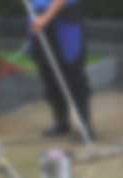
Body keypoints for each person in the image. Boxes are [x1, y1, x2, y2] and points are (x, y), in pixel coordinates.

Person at [29, 0, 95, 139]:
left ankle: (85, 124)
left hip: (64, 19)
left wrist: (46, 18)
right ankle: (61, 121)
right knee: (48, 73)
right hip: (38, 17)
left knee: (73, 73)